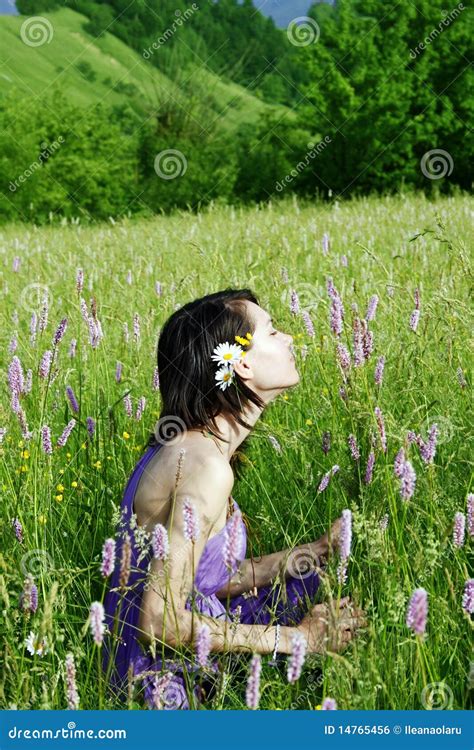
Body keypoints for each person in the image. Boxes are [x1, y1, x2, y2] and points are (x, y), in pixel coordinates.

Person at [102, 288, 366, 709]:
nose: (290, 338)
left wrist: (315, 551)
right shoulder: (205, 467)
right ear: (241, 364)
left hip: (166, 654)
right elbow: (159, 621)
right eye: (274, 331)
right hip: (162, 684)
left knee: (313, 577)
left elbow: (207, 578)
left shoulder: (190, 447)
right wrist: (298, 639)